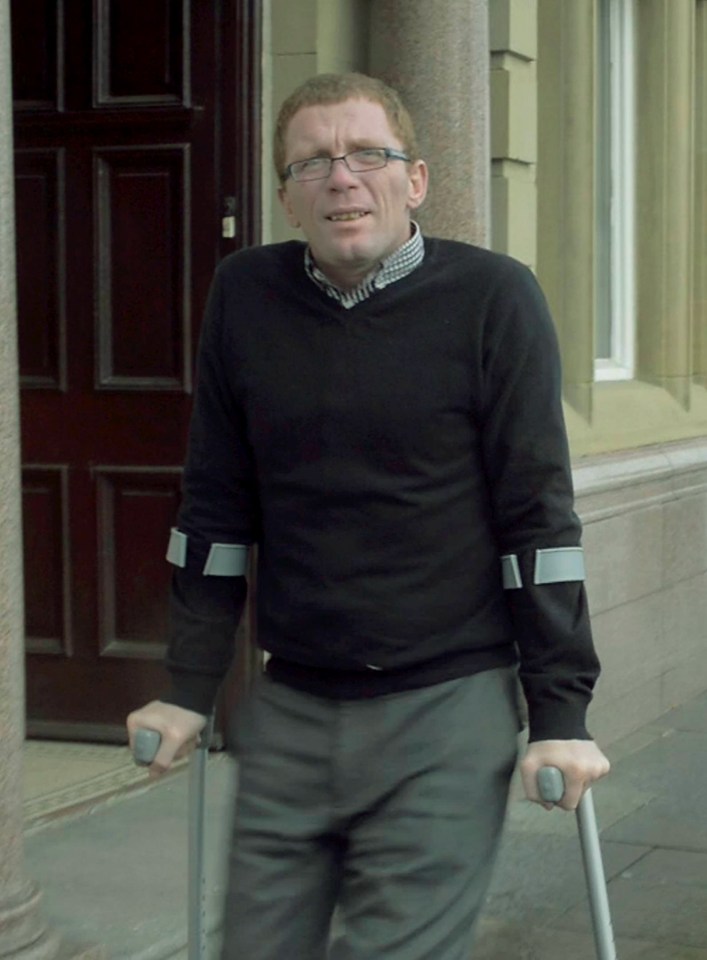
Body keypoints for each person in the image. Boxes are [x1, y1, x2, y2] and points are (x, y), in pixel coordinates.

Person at [127, 72, 610, 959]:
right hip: (293, 703)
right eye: (312, 161)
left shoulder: (493, 299)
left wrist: (560, 714)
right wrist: (187, 686)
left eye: (367, 155)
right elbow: (215, 508)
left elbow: (537, 524)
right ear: (285, 196)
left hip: (445, 706)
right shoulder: (245, 295)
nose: (341, 178)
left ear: (414, 179)